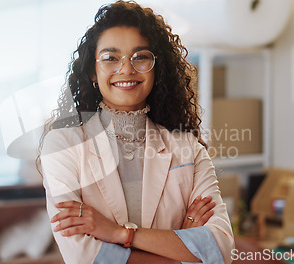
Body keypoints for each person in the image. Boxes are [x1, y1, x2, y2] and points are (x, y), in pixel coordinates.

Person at [39, 1, 234, 263]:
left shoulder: (188, 148)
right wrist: (183, 250)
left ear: (157, 68)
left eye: (140, 56)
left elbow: (221, 248)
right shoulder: (63, 145)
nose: (126, 69)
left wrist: (120, 235)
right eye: (110, 58)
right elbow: (84, 256)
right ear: (92, 72)